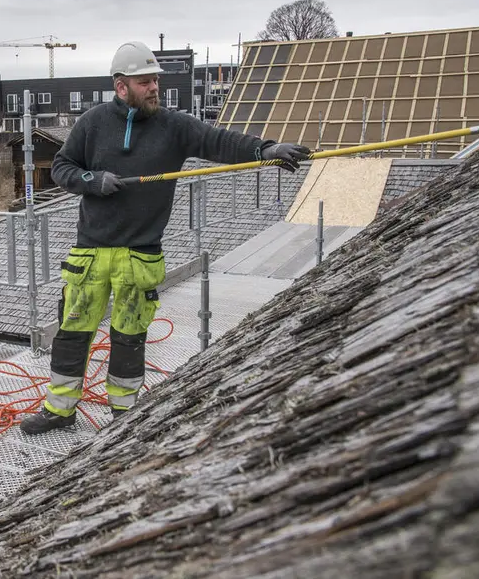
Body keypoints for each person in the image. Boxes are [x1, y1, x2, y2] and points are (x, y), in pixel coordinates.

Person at [20, 41, 310, 435]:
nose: (155, 87)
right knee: (71, 335)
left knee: (129, 338)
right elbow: (61, 167)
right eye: (145, 81)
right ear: (122, 87)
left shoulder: (173, 126)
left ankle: (124, 416)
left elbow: (220, 141)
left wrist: (265, 149)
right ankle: (59, 411)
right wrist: (91, 180)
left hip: (139, 256)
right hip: (91, 253)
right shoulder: (92, 123)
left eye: (156, 79)